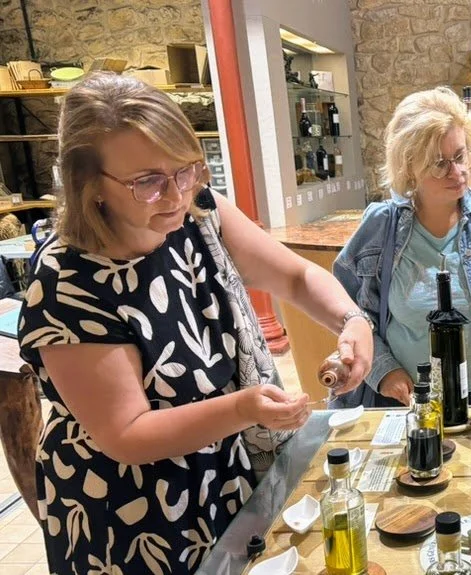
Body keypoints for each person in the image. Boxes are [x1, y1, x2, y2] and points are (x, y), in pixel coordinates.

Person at [17, 73, 374, 573]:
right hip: (129, 511)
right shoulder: (66, 280)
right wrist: (244, 407)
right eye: (147, 182)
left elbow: (293, 277)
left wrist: (352, 320)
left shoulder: (198, 212)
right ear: (89, 184)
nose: (175, 195)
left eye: (186, 170)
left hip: (221, 475)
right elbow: (127, 433)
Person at [331, 86, 471, 407]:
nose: (457, 172)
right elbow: (353, 315)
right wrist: (385, 372)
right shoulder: (380, 228)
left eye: (461, 155)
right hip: (407, 402)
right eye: (439, 163)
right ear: (409, 167)